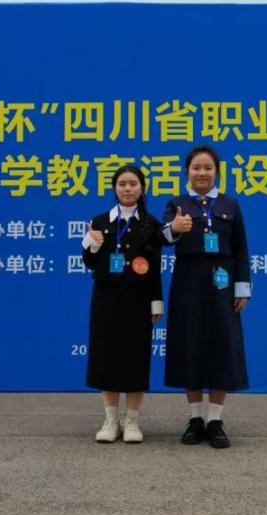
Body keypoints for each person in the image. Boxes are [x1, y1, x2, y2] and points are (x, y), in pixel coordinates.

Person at [162, 145, 251, 449]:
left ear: (217, 172)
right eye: (196, 168)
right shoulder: (177, 203)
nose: (202, 173)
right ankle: (195, 419)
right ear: (187, 171)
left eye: (208, 168)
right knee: (191, 345)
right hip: (188, 280)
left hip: (222, 282)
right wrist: (174, 228)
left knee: (221, 345)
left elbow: (241, 248)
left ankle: (215, 421)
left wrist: (242, 288)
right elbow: (163, 238)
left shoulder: (230, 204)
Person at [82, 165, 164, 443]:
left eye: (133, 184)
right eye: (122, 184)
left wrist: (156, 302)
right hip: (106, 298)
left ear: (142, 188)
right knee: (106, 356)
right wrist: (92, 243)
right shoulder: (100, 221)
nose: (127, 189)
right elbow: (89, 262)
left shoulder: (151, 224)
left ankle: (132, 422)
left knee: (135, 357)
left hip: (138, 300)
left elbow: (155, 267)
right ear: (114, 188)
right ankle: (110, 420)